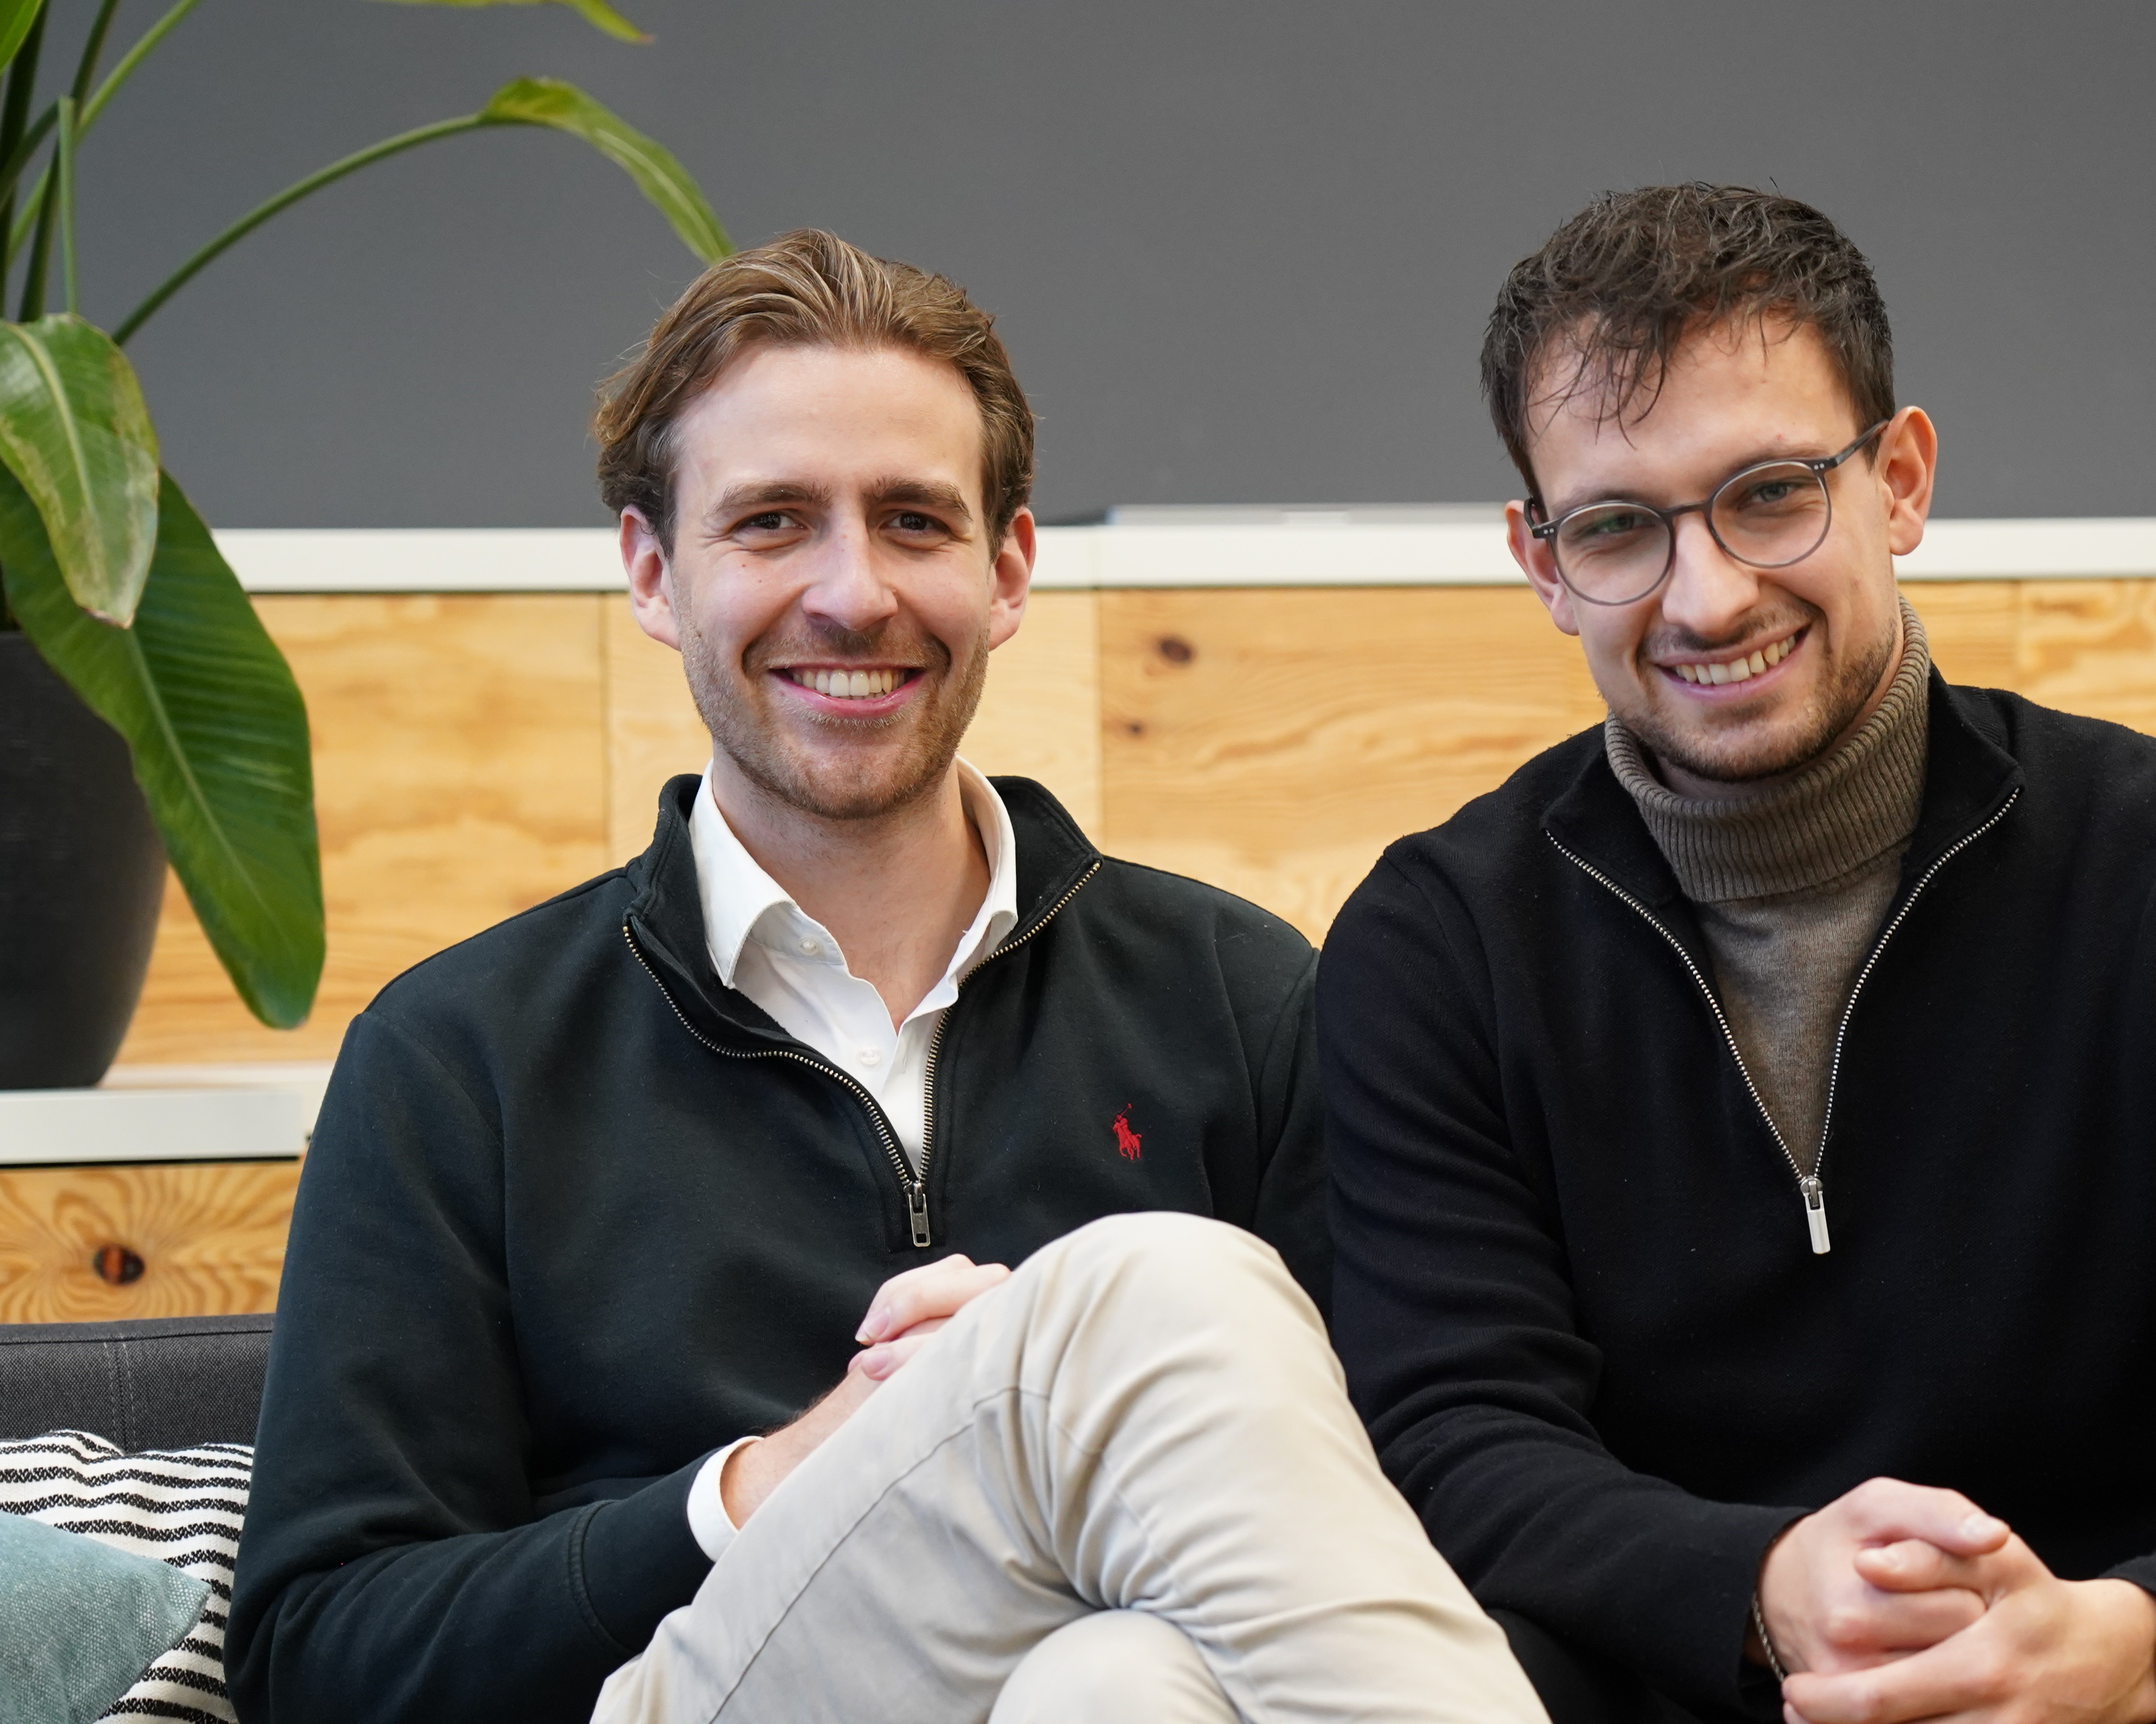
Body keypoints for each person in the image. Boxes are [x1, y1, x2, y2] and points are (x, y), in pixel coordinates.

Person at [229, 230, 1543, 1724]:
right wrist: (768, 1486)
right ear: (654, 574)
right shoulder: (457, 1057)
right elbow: (317, 1656)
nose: (854, 595)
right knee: (1154, 1283)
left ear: (1008, 571)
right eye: (776, 523)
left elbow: (1382, 1510)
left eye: (915, 522)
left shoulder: (1238, 999)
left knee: (1114, 1686)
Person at [1317, 185, 2156, 1724]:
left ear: (1901, 480)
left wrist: (2152, 1639)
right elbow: (1457, 1439)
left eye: (1772, 493)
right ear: (1541, 559)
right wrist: (1767, 1587)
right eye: (1618, 528)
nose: (1708, 593)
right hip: (1705, 1680)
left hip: (2141, 1670)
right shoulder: (1439, 945)